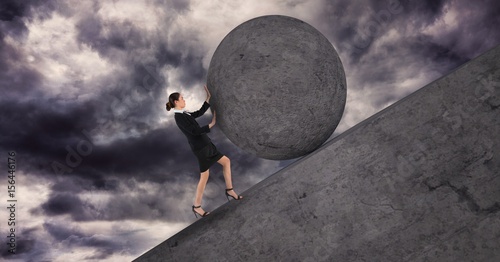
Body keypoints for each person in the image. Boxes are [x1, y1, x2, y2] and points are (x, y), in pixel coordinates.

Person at [166, 85, 243, 218]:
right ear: (176, 102)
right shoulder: (179, 118)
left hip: (206, 144)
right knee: (204, 177)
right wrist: (210, 125)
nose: (184, 100)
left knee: (226, 161)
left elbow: (199, 113)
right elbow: (194, 132)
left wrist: (208, 98)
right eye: (182, 99)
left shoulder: (185, 113)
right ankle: (197, 207)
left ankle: (230, 190)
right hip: (201, 149)